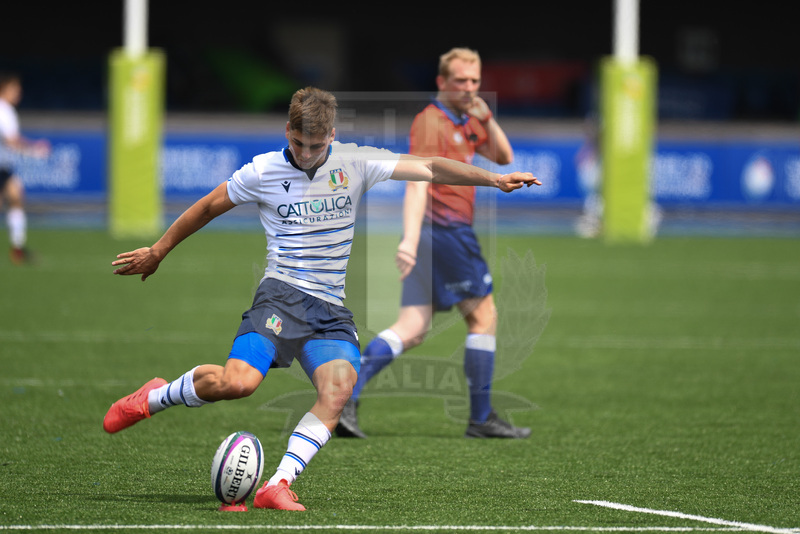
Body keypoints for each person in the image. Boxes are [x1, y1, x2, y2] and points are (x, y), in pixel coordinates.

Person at [102, 87, 540, 511]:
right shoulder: (262, 171)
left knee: (339, 389)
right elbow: (206, 208)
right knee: (237, 384)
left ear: (331, 136)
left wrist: (496, 178)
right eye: (298, 143)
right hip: (280, 298)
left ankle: (277, 485)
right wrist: (158, 251)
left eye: (315, 145)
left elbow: (430, 167)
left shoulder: (356, 162)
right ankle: (156, 396)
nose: (306, 154)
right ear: (286, 131)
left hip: (329, 310)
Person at [335, 48, 531, 440]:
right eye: (460, 80)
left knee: (413, 326)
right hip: (446, 232)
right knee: (483, 316)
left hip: (435, 235)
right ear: (441, 82)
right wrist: (408, 238)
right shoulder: (431, 122)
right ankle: (481, 418)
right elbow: (418, 180)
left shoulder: (465, 119)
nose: (469, 88)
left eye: (475, 81)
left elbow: (504, 155)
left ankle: (344, 399)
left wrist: (484, 114)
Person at [0, 72, 50, 264]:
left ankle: (17, 249)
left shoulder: (7, 110)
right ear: (5, 88)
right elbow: (11, 141)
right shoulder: (3, 110)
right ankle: (17, 249)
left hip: (4, 166)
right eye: (15, 88)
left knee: (16, 198)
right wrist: (34, 149)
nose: (19, 92)